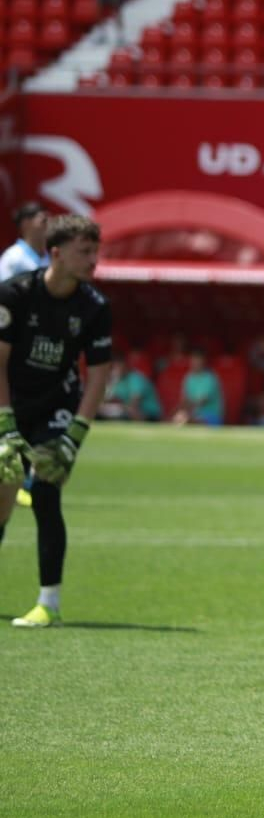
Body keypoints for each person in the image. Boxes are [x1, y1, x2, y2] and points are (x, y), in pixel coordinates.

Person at [0, 215, 114, 628]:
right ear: (56, 253)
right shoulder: (15, 294)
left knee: (47, 491)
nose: (93, 260)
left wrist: (74, 439)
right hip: (11, 400)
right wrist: (5, 429)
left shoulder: (95, 307)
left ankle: (49, 603)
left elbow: (99, 374)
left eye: (95, 251)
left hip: (57, 406)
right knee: (1, 496)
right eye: (84, 251)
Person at [101, 352, 161, 421]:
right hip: (129, 412)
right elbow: (106, 400)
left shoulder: (136, 378)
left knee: (128, 411)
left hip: (150, 415)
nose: (116, 369)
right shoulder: (117, 380)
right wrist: (112, 382)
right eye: (113, 367)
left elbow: (134, 403)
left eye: (118, 365)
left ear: (125, 365)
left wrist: (120, 408)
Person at [1, 201, 50, 283]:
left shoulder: (53, 256)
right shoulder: (12, 258)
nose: (49, 224)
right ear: (25, 223)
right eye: (44, 221)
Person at [173, 347, 224, 426]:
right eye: (192, 359)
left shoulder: (210, 378)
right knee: (178, 418)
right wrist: (176, 412)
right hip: (194, 415)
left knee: (185, 420)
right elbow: (184, 401)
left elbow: (202, 401)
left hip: (211, 416)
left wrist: (186, 416)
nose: (194, 362)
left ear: (203, 361)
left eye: (197, 359)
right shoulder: (188, 378)